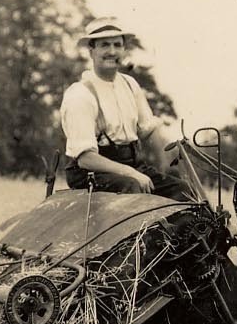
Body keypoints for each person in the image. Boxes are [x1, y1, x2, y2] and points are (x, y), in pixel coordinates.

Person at [60, 17, 195, 201]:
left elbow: (149, 130)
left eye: (117, 45)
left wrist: (168, 169)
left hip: (133, 166)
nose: (112, 51)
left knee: (183, 190)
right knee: (133, 187)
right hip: (91, 172)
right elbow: (85, 158)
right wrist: (130, 173)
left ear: (124, 50)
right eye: (105, 45)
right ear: (91, 50)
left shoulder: (130, 85)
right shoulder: (81, 94)